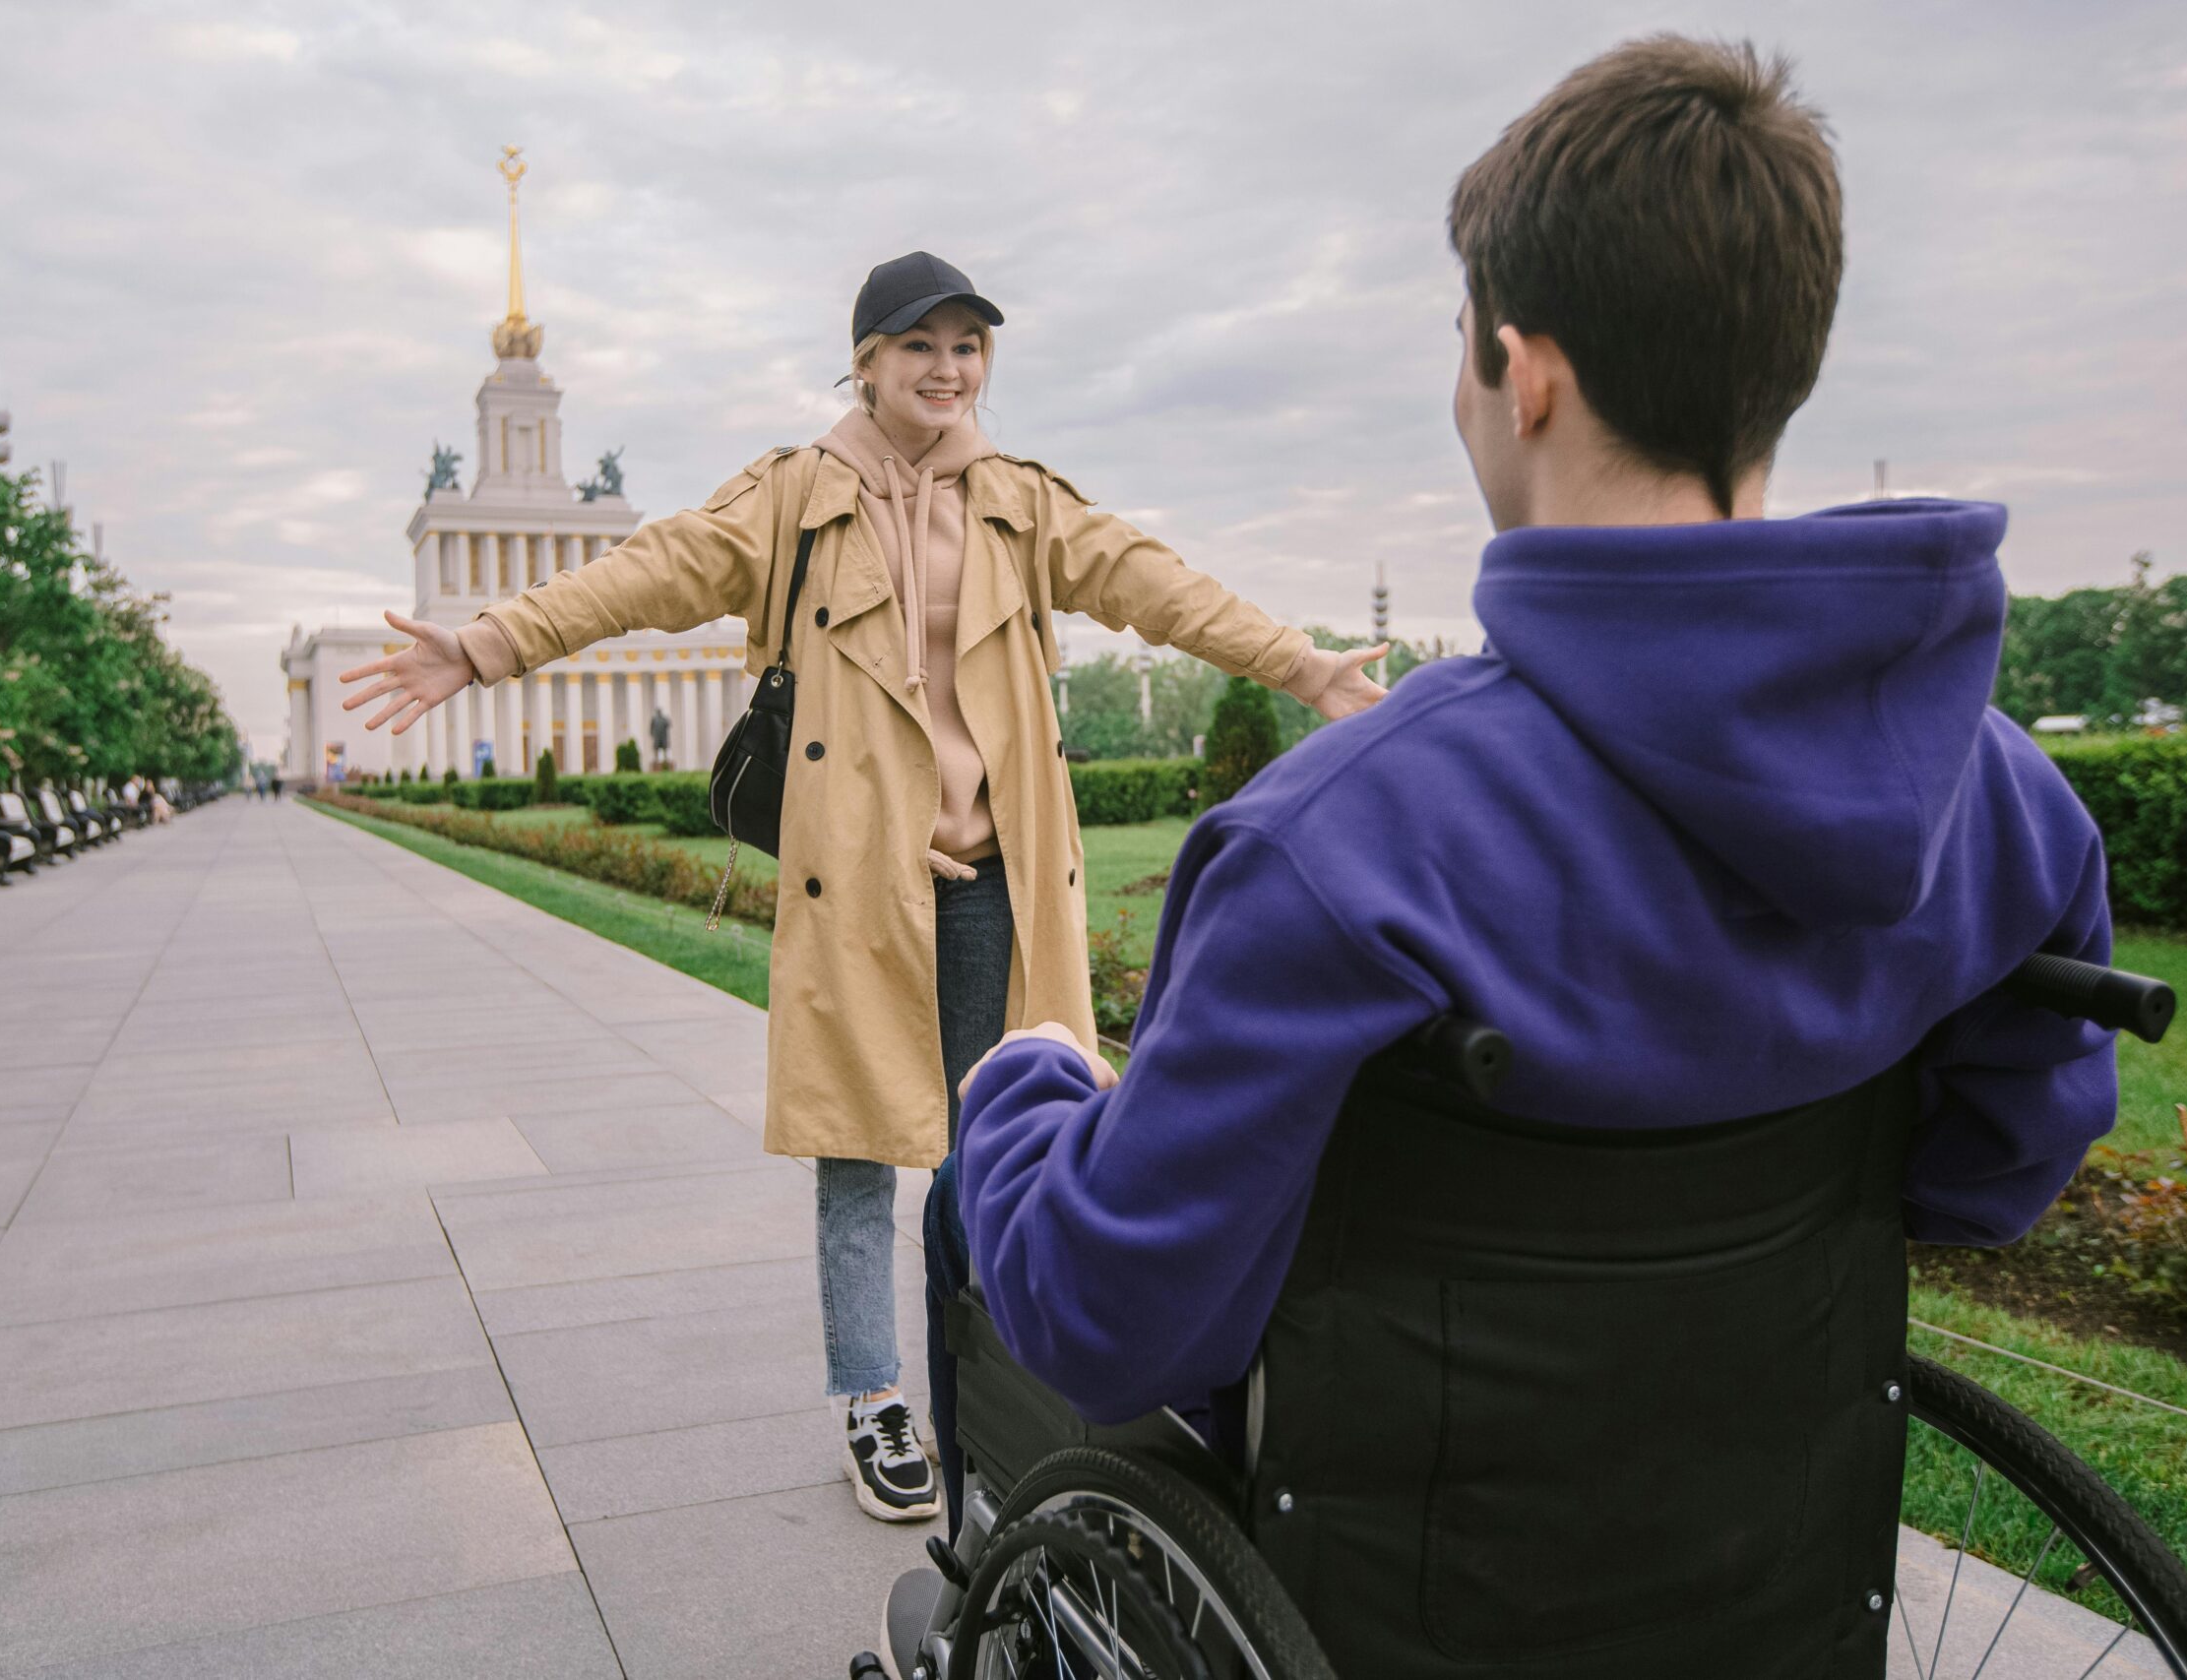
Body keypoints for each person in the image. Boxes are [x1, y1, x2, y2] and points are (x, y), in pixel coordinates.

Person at [903, 35, 2120, 1672]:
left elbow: (1125, 1327)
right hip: (1770, 1540)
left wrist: (1022, 1085)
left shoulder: (1346, 845)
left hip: (1393, 1585)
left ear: (1522, 370)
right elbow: (1989, 1175)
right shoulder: (2009, 803)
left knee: (980, 1211)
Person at [335, 251, 1388, 1524]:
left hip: (997, 873)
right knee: (850, 1145)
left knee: (1003, 1129)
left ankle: (1000, 1371)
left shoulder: (1022, 500)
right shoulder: (794, 495)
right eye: (920, 348)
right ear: (866, 362)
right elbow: (650, 570)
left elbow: (1152, 584)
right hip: (858, 882)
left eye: (968, 348)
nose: (948, 371)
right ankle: (873, 1399)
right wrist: (492, 642)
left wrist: (1299, 665)